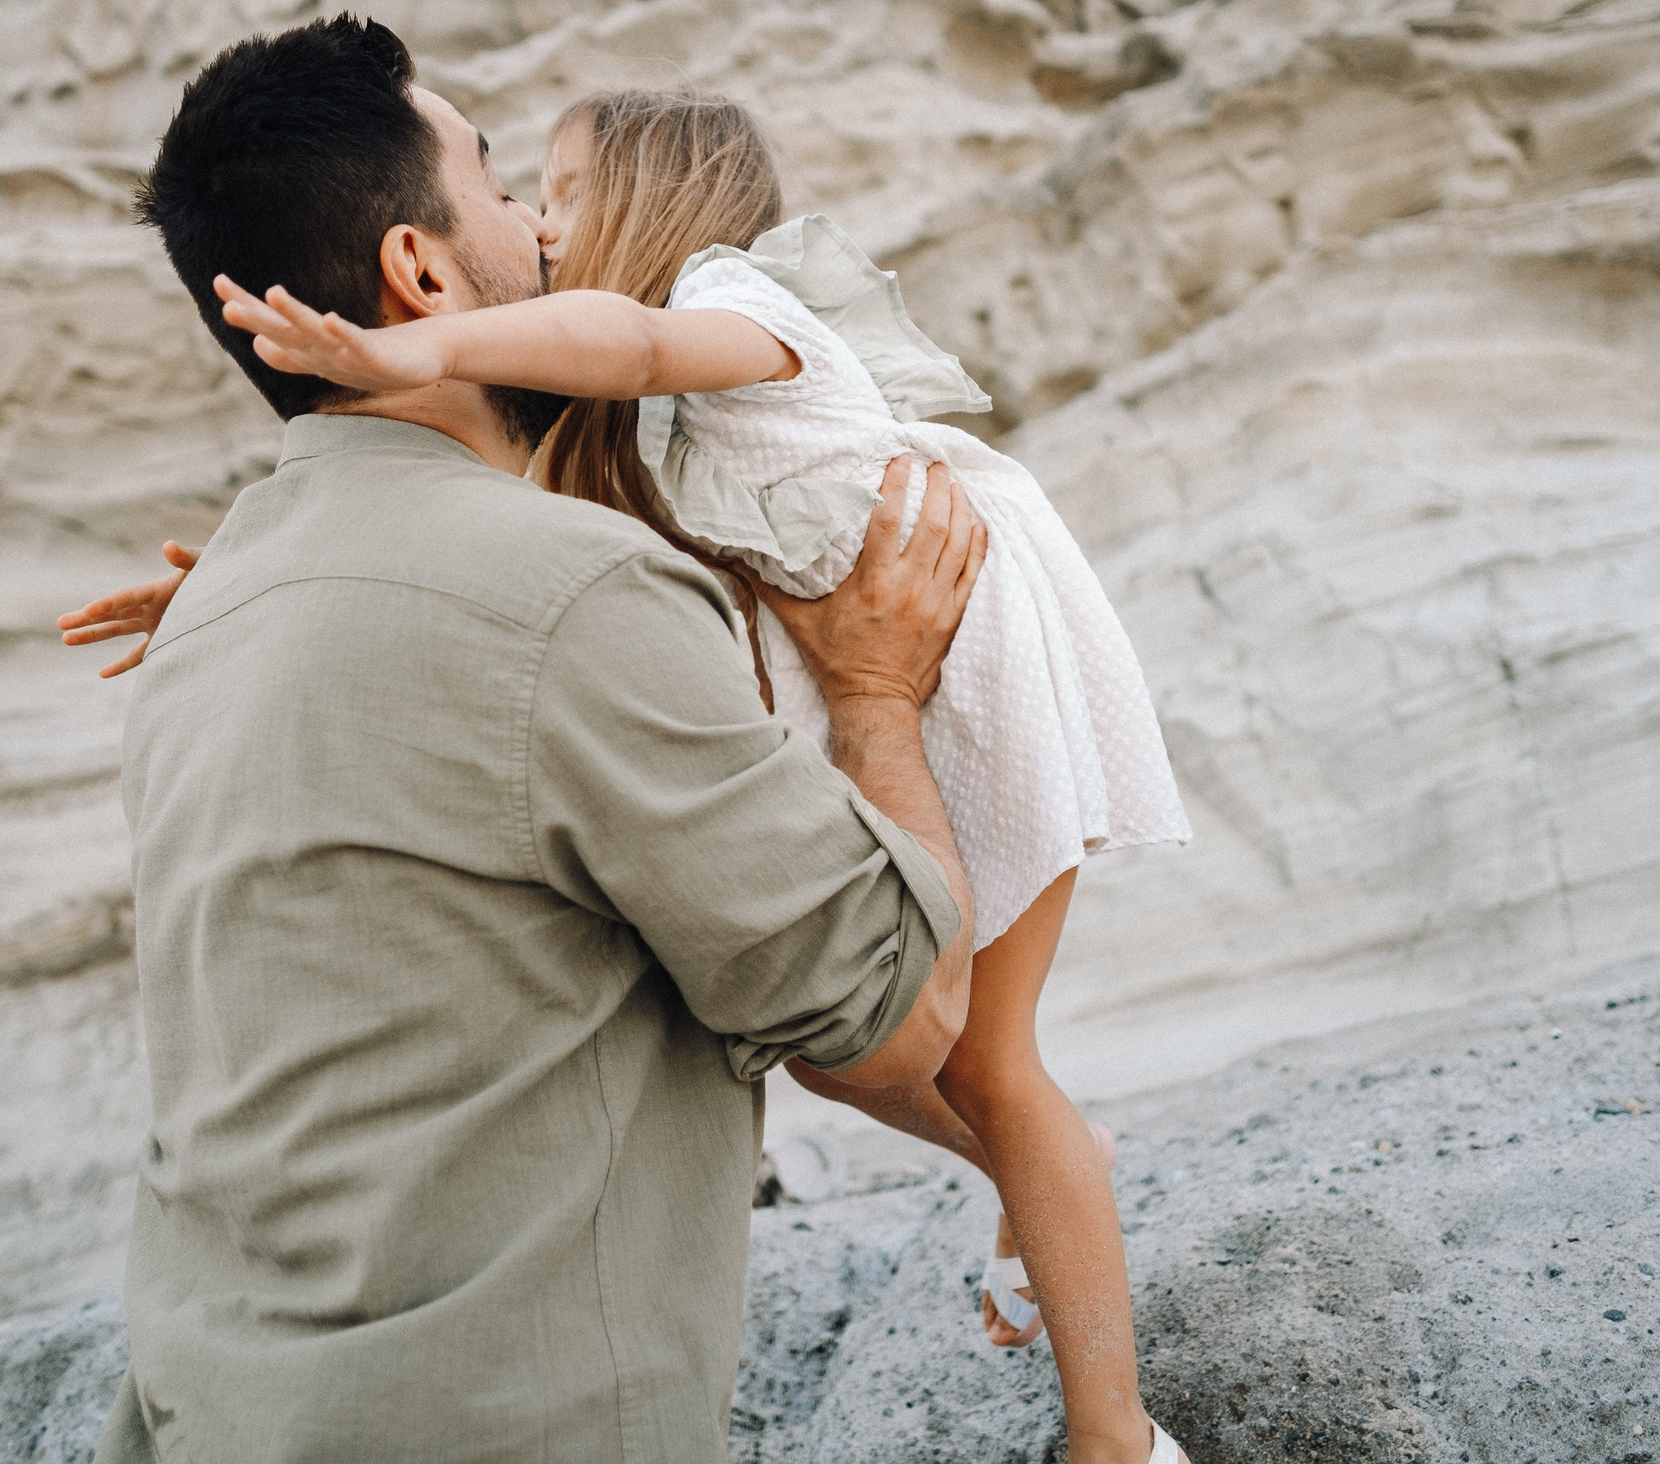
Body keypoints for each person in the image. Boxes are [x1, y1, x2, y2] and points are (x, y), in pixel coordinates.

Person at [70, 87, 1194, 1464]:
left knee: (996, 1068)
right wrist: (872, 696)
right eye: (503, 185)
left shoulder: (725, 318)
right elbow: (886, 1018)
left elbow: (577, 407)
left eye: (564, 192)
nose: (541, 227)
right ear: (420, 270)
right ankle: (1051, 1235)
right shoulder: (570, 549)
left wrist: (279, 550)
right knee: (935, 1059)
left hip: (210, 1406)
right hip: (496, 1419)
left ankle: (1108, 1418)